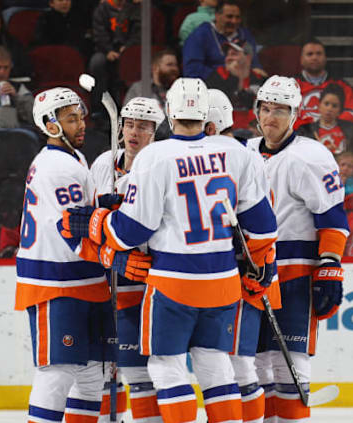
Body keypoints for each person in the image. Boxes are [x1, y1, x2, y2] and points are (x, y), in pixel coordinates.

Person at [62, 77, 278, 423]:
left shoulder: (155, 157)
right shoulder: (237, 153)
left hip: (173, 282)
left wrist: (99, 222)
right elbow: (264, 226)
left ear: (168, 114)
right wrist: (265, 265)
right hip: (223, 281)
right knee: (216, 365)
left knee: (167, 368)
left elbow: (131, 233)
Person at [246, 75, 349, 422]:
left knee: (291, 360)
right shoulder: (244, 153)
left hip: (295, 272)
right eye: (265, 108)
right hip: (253, 271)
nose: (271, 116)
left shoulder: (312, 156)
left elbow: (333, 216)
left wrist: (330, 266)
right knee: (258, 363)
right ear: (256, 111)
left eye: (280, 109)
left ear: (296, 114)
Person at [15, 87, 120, 423]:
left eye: (81, 117)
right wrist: (113, 242)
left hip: (78, 278)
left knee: (91, 376)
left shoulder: (71, 158)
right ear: (51, 125)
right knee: (57, 372)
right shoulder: (59, 166)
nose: (81, 124)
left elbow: (80, 214)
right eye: (71, 119)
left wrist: (103, 207)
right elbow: (73, 227)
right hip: (58, 280)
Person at [205, 87, 281, 423]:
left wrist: (258, 265)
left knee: (234, 361)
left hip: (242, 270)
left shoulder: (234, 156)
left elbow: (261, 224)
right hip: (248, 267)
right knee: (227, 360)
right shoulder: (245, 154)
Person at [88, 96, 165, 423]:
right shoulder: (103, 163)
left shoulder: (158, 165)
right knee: (104, 371)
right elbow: (85, 222)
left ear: (155, 131)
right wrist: (104, 234)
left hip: (143, 279)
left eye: (144, 126)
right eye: (129, 124)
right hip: (103, 280)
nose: (134, 132)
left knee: (139, 372)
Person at [183, 0, 264, 80]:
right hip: (211, 86)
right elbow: (192, 71)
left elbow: (255, 64)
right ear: (217, 15)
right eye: (229, 16)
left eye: (237, 17)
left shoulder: (245, 35)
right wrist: (225, 75)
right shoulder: (199, 35)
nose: (234, 21)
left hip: (244, 84)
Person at [295, 39, 353, 125]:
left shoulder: (342, 85)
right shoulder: (291, 85)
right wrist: (306, 128)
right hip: (300, 135)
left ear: (325, 58)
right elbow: (282, 115)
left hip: (334, 136)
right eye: (309, 54)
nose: (314, 57)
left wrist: (327, 126)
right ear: (301, 59)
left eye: (319, 54)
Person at [89, 0, 140, 108]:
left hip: (129, 50)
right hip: (105, 50)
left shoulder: (133, 7)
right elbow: (99, 32)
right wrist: (108, 50)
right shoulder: (102, 9)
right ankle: (99, 106)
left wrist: (128, 47)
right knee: (97, 62)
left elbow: (138, 31)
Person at [205, 39, 265, 131]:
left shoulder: (259, 79)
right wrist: (238, 79)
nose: (228, 58)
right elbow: (219, 106)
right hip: (225, 131)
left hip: (254, 131)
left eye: (234, 54)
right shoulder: (217, 76)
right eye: (227, 55)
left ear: (248, 57)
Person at [123, 49, 179, 140]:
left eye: (175, 65)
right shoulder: (139, 89)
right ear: (155, 68)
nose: (174, 69)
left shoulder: (179, 91)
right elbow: (128, 119)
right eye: (169, 65)